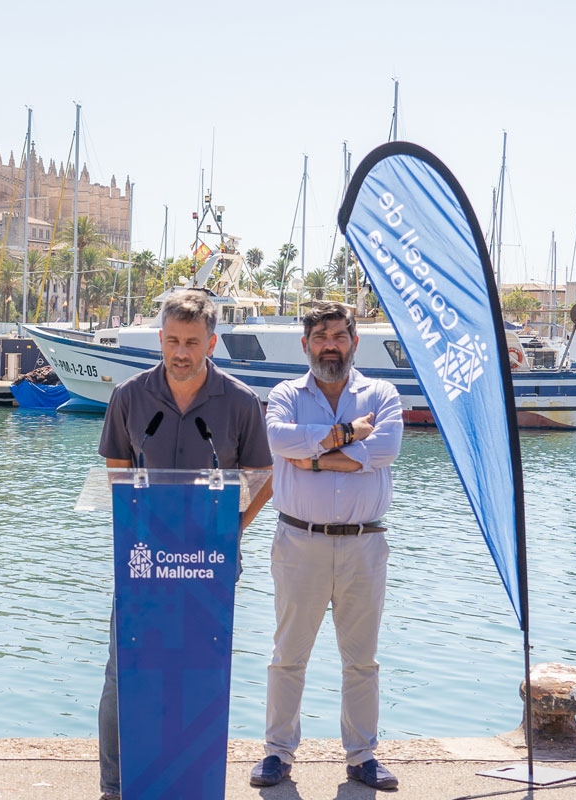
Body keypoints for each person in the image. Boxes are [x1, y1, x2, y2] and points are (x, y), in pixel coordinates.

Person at [95, 290, 273, 800]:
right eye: (172, 340)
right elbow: (117, 472)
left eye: (192, 342)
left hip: (209, 564)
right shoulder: (129, 396)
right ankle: (116, 786)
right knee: (124, 672)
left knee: (200, 668)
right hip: (143, 560)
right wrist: (134, 526)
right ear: (160, 339)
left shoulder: (239, 401)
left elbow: (263, 476)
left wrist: (231, 530)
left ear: (211, 342)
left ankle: (191, 780)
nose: (180, 351)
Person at [250, 302, 403, 790]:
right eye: (321, 337)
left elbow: (386, 450)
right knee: (287, 655)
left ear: (354, 342)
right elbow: (278, 440)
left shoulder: (382, 393)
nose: (330, 345)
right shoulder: (285, 395)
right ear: (305, 344)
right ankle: (278, 754)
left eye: (339, 335)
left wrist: (314, 459)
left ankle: (361, 756)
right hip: (300, 541)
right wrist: (345, 437)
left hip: (364, 544)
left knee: (362, 660)